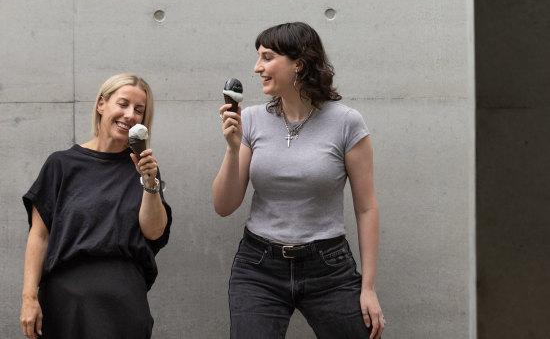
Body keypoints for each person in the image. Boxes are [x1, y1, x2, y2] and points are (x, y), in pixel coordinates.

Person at [212, 22, 386, 339]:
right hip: (259, 266)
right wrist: (232, 148)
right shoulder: (250, 119)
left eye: (267, 57)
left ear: (299, 64)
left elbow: (366, 208)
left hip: (328, 267)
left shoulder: (347, 123)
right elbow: (224, 205)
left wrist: (369, 287)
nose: (257, 67)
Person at [20, 74, 172, 339]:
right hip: (64, 304)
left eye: (139, 110)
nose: (129, 115)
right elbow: (39, 235)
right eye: (122, 104)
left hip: (124, 306)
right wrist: (29, 297)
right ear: (102, 104)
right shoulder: (61, 165)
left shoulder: (145, 170)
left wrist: (150, 183)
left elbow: (155, 232)